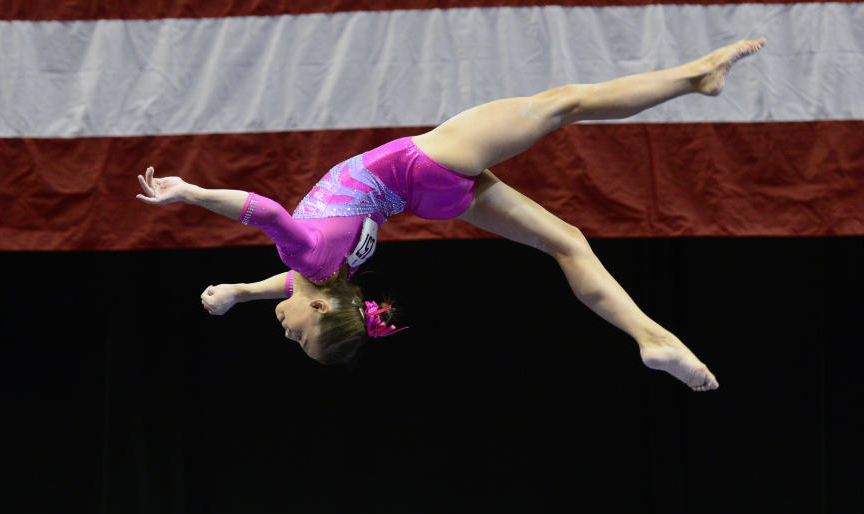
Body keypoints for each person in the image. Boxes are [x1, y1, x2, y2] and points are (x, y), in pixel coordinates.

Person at [136, 38, 766, 389]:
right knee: (562, 103)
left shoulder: (324, 275)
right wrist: (190, 192)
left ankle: (652, 339)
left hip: (431, 197)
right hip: (425, 164)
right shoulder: (307, 262)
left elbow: (291, 282)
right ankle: (697, 75)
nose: (287, 329)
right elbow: (266, 211)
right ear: (325, 307)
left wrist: (235, 293)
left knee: (568, 243)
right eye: (300, 334)